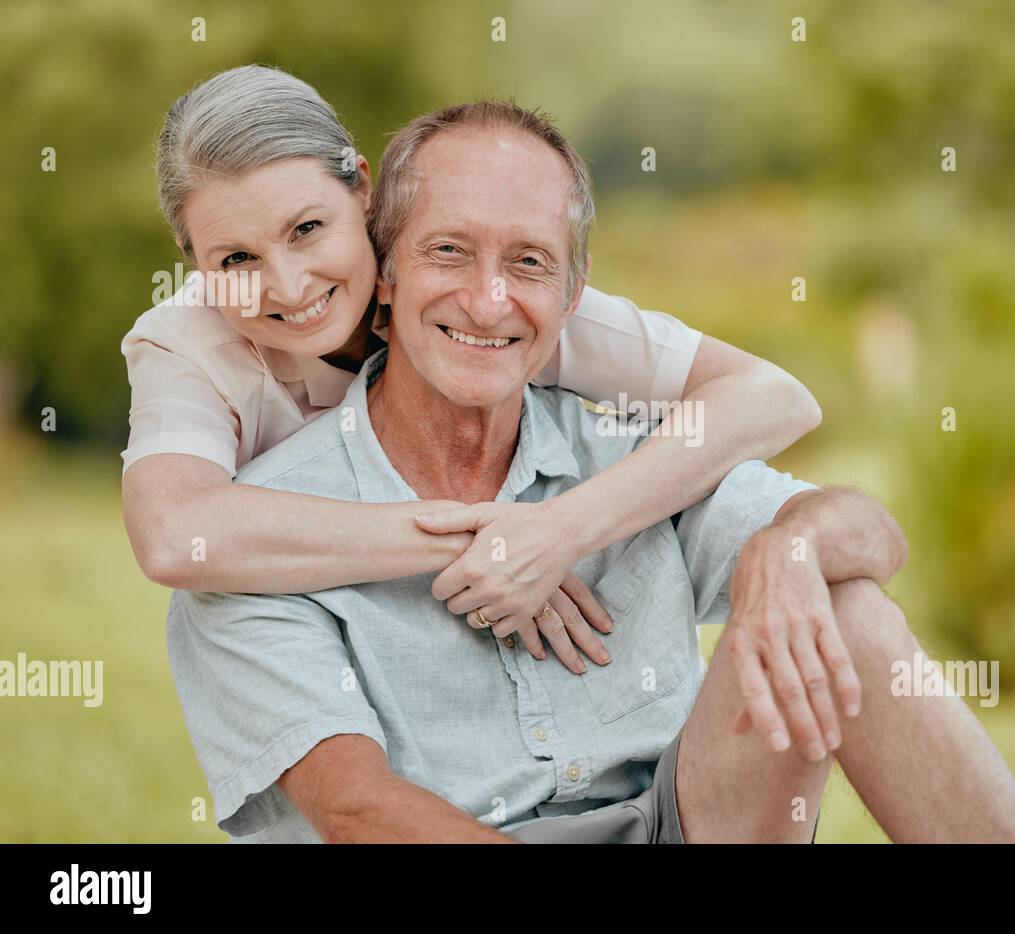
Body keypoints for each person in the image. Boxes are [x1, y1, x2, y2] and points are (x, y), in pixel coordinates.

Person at [166, 99, 1015, 843]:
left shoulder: (628, 455)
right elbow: (358, 813)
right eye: (448, 252)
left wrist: (789, 553)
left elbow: (872, 533)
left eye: (528, 263)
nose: (487, 300)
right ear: (383, 270)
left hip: (684, 820)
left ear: (574, 292)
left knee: (838, 598)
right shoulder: (260, 537)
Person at [122, 65, 821, 667]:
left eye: (308, 230)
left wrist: (561, 530)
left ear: (362, 190)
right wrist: (488, 539)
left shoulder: (482, 300)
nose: (289, 285)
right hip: (323, 637)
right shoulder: (183, 344)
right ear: (193, 263)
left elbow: (772, 398)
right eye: (236, 259)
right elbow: (175, 535)